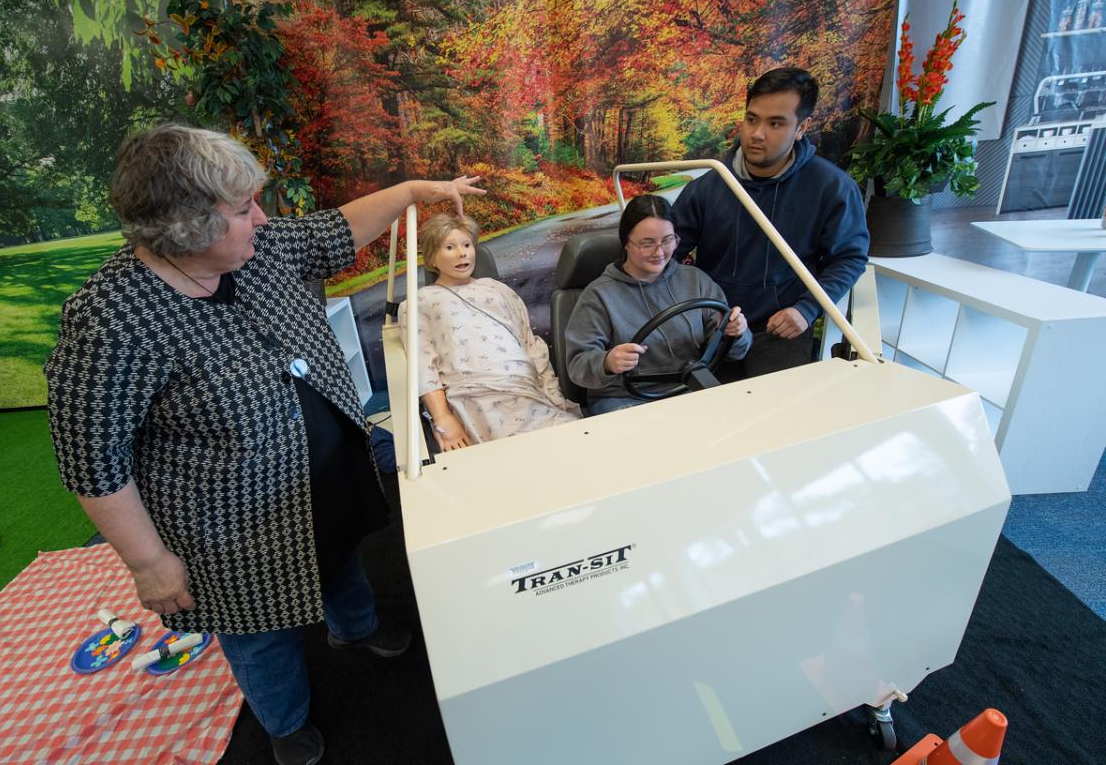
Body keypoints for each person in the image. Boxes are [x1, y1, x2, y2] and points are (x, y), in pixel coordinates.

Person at [44, 124, 485, 765]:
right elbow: (91, 457)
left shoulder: (261, 248)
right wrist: (147, 563)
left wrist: (419, 189)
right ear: (190, 227)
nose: (262, 216)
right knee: (258, 630)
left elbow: (338, 230)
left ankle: (353, 630)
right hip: (228, 527)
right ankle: (283, 719)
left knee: (340, 558)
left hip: (321, 474)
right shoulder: (111, 320)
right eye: (244, 207)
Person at [671, 66, 869, 379]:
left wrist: (806, 310)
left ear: (802, 127)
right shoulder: (708, 186)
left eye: (775, 123)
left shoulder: (832, 188)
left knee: (776, 421)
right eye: (752, 119)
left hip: (781, 331)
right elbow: (665, 251)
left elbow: (849, 258)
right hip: (712, 329)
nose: (757, 133)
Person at [400, 213, 580, 450]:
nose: (462, 253)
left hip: (526, 390)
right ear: (432, 258)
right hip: (475, 398)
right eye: (450, 247)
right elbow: (423, 366)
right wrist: (443, 418)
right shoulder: (419, 302)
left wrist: (553, 396)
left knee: (571, 441)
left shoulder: (498, 290)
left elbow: (531, 345)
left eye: (466, 245)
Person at [565, 194, 752, 416]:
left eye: (667, 240)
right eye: (646, 244)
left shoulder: (696, 281)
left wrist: (736, 333)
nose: (659, 252)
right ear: (626, 242)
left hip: (687, 389)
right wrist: (607, 361)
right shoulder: (598, 295)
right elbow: (577, 366)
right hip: (623, 399)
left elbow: (735, 353)